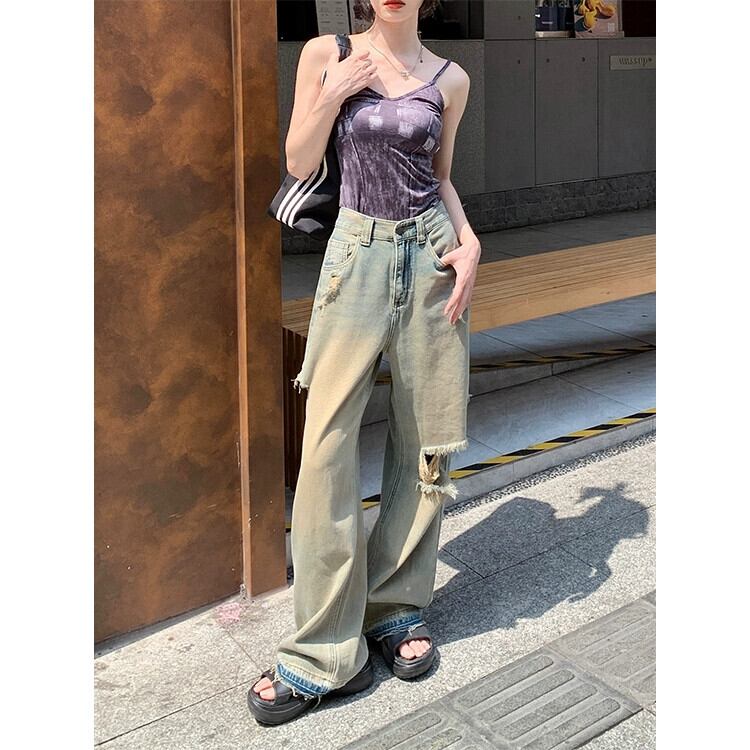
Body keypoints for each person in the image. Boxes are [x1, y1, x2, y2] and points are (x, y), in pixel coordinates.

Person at [248, 0, 481, 726]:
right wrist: (336, 91)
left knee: (425, 439)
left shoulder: (450, 78)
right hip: (355, 256)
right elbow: (298, 160)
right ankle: (324, 651)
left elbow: (440, 176)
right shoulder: (329, 53)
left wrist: (470, 241)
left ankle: (396, 607)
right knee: (325, 447)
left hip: (432, 254)